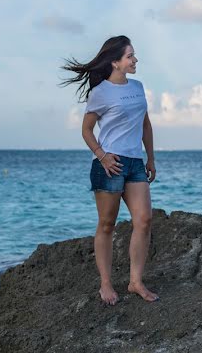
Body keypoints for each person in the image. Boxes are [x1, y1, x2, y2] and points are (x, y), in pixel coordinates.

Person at [61, 35, 158, 304]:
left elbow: (145, 125)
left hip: (135, 163)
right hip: (110, 164)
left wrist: (150, 158)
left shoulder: (138, 87)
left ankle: (135, 282)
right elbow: (86, 129)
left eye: (134, 55)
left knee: (144, 220)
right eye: (130, 56)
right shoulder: (100, 92)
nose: (135, 59)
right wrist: (102, 157)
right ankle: (106, 284)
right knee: (107, 225)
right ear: (115, 62)